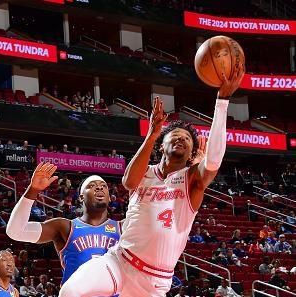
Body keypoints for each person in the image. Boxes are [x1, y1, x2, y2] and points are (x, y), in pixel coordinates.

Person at [58, 66, 244, 297]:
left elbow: (214, 160)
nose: (181, 139)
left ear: (192, 153)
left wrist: (222, 100)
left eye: (187, 139)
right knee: (71, 291)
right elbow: (128, 182)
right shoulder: (145, 172)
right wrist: (152, 133)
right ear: (161, 144)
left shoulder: (192, 179)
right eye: (175, 135)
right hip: (119, 261)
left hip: (153, 281)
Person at [6, 163, 121, 287]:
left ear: (110, 198)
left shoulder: (123, 227)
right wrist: (33, 190)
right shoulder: (64, 227)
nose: (99, 188)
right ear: (81, 197)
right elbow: (15, 231)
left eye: (104, 186)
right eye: (92, 186)